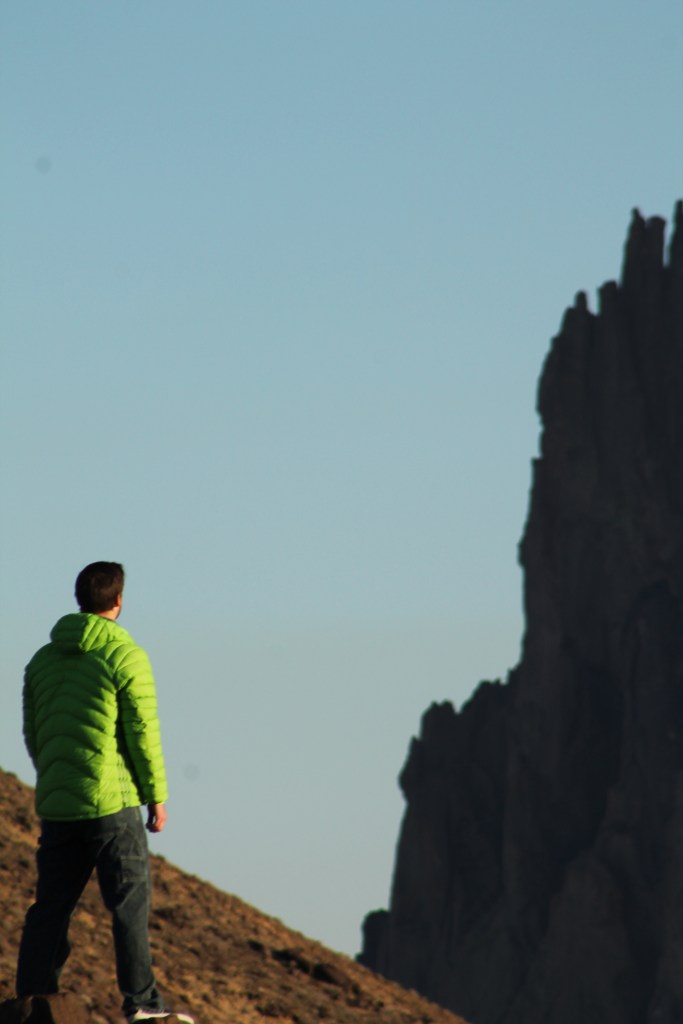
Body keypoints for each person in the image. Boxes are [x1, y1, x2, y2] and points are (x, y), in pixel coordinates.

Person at [16, 561, 193, 1024]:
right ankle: (143, 1004)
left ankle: (31, 1000)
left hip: (59, 803)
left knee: (50, 908)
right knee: (129, 905)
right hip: (112, 803)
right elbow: (142, 731)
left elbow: (35, 732)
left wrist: (56, 778)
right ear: (118, 600)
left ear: (80, 599)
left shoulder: (41, 660)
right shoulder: (126, 655)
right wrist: (156, 796)